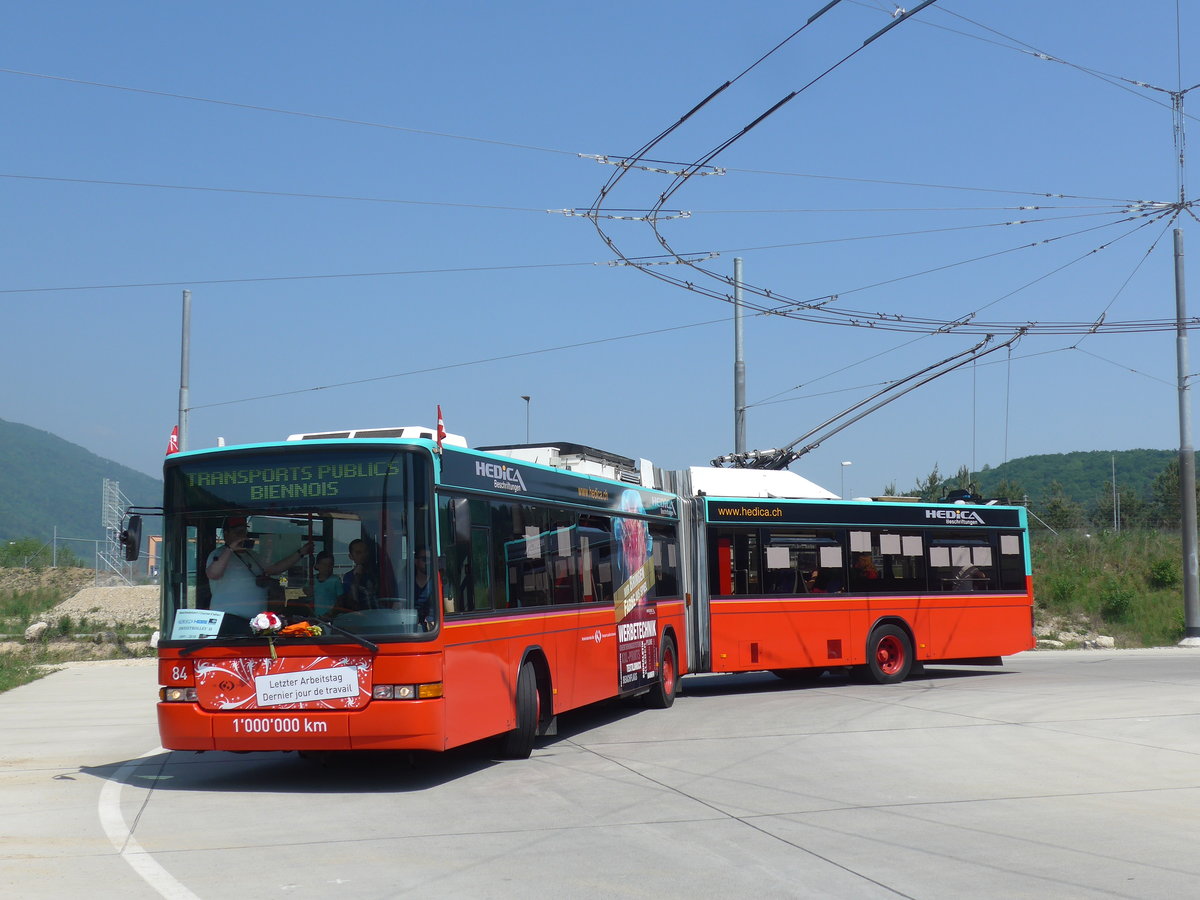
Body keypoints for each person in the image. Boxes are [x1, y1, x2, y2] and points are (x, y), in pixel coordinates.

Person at [205, 517, 313, 619]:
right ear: (226, 534)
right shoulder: (218, 554)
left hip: (256, 620)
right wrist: (231, 548)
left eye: (243, 531)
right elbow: (214, 574)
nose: (241, 535)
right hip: (228, 618)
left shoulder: (252, 555)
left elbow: (274, 569)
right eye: (237, 532)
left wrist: (301, 553)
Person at [341, 538, 379, 610]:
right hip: (362, 616)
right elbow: (350, 601)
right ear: (351, 557)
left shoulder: (378, 572)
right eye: (358, 553)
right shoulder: (348, 577)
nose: (363, 555)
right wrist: (357, 576)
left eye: (365, 551)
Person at [304, 550, 343, 617]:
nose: (327, 567)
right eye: (324, 564)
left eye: (330, 564)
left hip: (331, 617)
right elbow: (306, 590)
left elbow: (340, 599)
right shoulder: (312, 580)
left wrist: (330, 613)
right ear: (317, 565)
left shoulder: (336, 580)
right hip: (315, 616)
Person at [413, 547, 434, 627]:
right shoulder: (406, 586)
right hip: (410, 627)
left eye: (430, 560)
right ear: (416, 561)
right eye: (425, 559)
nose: (428, 562)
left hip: (431, 629)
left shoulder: (436, 584)